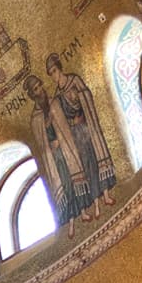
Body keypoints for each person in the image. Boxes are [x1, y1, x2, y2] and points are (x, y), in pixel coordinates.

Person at [46, 54, 116, 220]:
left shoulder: (75, 80)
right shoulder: (57, 96)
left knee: (96, 160)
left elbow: (87, 98)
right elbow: (60, 120)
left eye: (54, 70)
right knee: (86, 166)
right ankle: (96, 203)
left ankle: (106, 195)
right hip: (76, 136)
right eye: (51, 73)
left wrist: (80, 106)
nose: (54, 76)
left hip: (87, 129)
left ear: (59, 67)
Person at [25, 74, 90, 238]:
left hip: (67, 148)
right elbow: (41, 143)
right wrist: (47, 129)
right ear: (33, 95)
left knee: (76, 180)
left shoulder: (54, 103)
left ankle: (83, 212)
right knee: (66, 185)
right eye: (36, 89)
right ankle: (71, 221)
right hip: (56, 157)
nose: (41, 90)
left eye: (40, 86)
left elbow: (64, 122)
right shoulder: (35, 119)